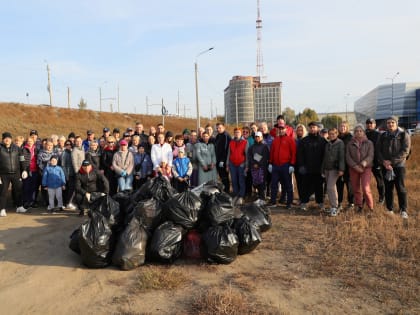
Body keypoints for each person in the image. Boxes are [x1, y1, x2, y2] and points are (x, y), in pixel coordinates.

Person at [376, 116, 411, 219]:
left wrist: (391, 161)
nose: (390, 124)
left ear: (396, 123)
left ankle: (403, 210)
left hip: (399, 166)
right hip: (386, 166)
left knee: (400, 188)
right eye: (388, 123)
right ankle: (389, 209)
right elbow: (378, 150)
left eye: (392, 122)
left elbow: (405, 151)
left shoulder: (404, 134)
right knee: (388, 188)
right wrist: (384, 162)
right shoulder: (383, 136)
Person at [297, 122, 327, 211]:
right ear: (309, 129)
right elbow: (300, 154)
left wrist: (324, 167)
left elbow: (325, 155)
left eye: (314, 127)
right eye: (311, 127)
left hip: (318, 169)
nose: (312, 129)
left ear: (317, 128)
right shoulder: (304, 140)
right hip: (307, 169)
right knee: (305, 186)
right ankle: (304, 203)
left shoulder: (322, 141)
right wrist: (301, 165)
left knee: (319, 187)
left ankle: (320, 203)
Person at [346, 124, 374, 213]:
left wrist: (364, 163)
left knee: (366, 188)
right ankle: (359, 205)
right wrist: (355, 166)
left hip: (366, 168)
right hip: (353, 168)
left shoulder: (369, 143)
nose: (358, 132)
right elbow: (348, 156)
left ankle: (370, 207)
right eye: (356, 131)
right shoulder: (350, 143)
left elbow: (371, 155)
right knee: (356, 188)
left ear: (363, 132)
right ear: (354, 133)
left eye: (360, 131)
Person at [268, 122, 296, 208]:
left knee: (287, 185)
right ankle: (273, 202)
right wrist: (270, 163)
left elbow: (293, 153)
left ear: (285, 129)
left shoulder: (290, 140)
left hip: (286, 165)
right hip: (276, 166)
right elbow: (272, 152)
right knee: (274, 185)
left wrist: (292, 164)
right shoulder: (275, 140)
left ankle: (289, 202)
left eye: (282, 129)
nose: (280, 130)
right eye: (279, 129)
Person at [0, 132, 27, 216]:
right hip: (3, 174)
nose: (7, 139)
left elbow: (22, 159)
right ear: (3, 139)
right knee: (3, 192)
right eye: (5, 138)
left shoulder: (17, 148)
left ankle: (19, 206)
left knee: (18, 190)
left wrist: (24, 170)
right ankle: (2, 209)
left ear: (11, 139)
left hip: (16, 173)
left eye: (8, 138)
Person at [321, 128, 345, 216]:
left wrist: (341, 169)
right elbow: (324, 157)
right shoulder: (327, 144)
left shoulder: (340, 143)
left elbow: (341, 157)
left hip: (335, 169)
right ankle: (332, 206)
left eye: (333, 134)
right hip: (327, 168)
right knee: (330, 187)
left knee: (330, 187)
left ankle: (335, 207)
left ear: (337, 134)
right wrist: (322, 169)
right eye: (330, 134)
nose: (331, 136)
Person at [365, 118, 385, 204]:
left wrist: (380, 161)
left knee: (379, 181)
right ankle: (365, 198)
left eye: (371, 123)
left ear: (375, 124)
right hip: (366, 162)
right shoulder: (364, 134)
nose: (369, 124)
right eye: (368, 123)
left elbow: (382, 148)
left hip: (377, 162)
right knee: (365, 182)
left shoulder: (379, 134)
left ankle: (382, 197)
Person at [226, 128, 249, 204]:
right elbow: (229, 154)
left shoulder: (245, 142)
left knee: (241, 180)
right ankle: (236, 195)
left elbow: (247, 155)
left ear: (241, 133)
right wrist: (227, 164)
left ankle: (241, 196)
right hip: (232, 164)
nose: (237, 134)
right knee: (234, 180)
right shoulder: (231, 142)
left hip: (241, 164)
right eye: (235, 132)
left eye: (238, 132)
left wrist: (246, 166)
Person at [248, 131, 270, 205]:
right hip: (254, 168)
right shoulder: (252, 147)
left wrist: (258, 164)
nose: (257, 138)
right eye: (256, 137)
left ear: (261, 137)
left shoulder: (265, 147)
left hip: (262, 168)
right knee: (255, 183)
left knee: (262, 183)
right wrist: (254, 163)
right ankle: (259, 197)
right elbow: (250, 156)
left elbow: (265, 158)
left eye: (259, 137)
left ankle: (262, 199)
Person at [337, 121, 354, 210]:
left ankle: (351, 202)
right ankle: (339, 203)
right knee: (339, 184)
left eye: (344, 126)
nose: (342, 128)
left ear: (347, 128)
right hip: (338, 165)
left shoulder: (351, 138)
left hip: (348, 165)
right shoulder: (337, 137)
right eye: (341, 126)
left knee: (349, 184)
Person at [22, 136, 39, 209]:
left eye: (31, 141)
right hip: (27, 171)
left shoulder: (36, 149)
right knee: (26, 186)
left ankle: (32, 201)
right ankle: (26, 201)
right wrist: (24, 169)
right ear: (26, 142)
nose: (30, 142)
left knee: (33, 187)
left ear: (33, 141)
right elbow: (22, 160)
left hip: (35, 170)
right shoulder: (23, 149)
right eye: (28, 141)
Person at [214, 123, 231, 193]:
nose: (218, 129)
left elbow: (226, 149)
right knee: (221, 176)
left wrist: (223, 160)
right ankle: (223, 190)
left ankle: (227, 190)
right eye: (217, 128)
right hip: (218, 159)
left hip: (223, 160)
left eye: (220, 128)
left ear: (224, 128)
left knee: (224, 176)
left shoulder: (226, 136)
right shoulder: (218, 136)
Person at [61, 140, 76, 210]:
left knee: (70, 189)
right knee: (67, 190)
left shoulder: (71, 152)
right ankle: (66, 203)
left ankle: (67, 203)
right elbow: (63, 165)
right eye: (67, 144)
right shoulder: (64, 153)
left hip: (72, 174)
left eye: (70, 144)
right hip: (67, 175)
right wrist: (66, 176)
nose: (68, 145)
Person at [294, 124, 308, 204]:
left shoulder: (306, 140)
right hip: (296, 164)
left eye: (301, 130)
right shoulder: (295, 140)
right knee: (298, 183)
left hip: (304, 165)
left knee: (304, 183)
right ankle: (301, 198)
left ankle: (304, 199)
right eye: (298, 130)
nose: (300, 132)